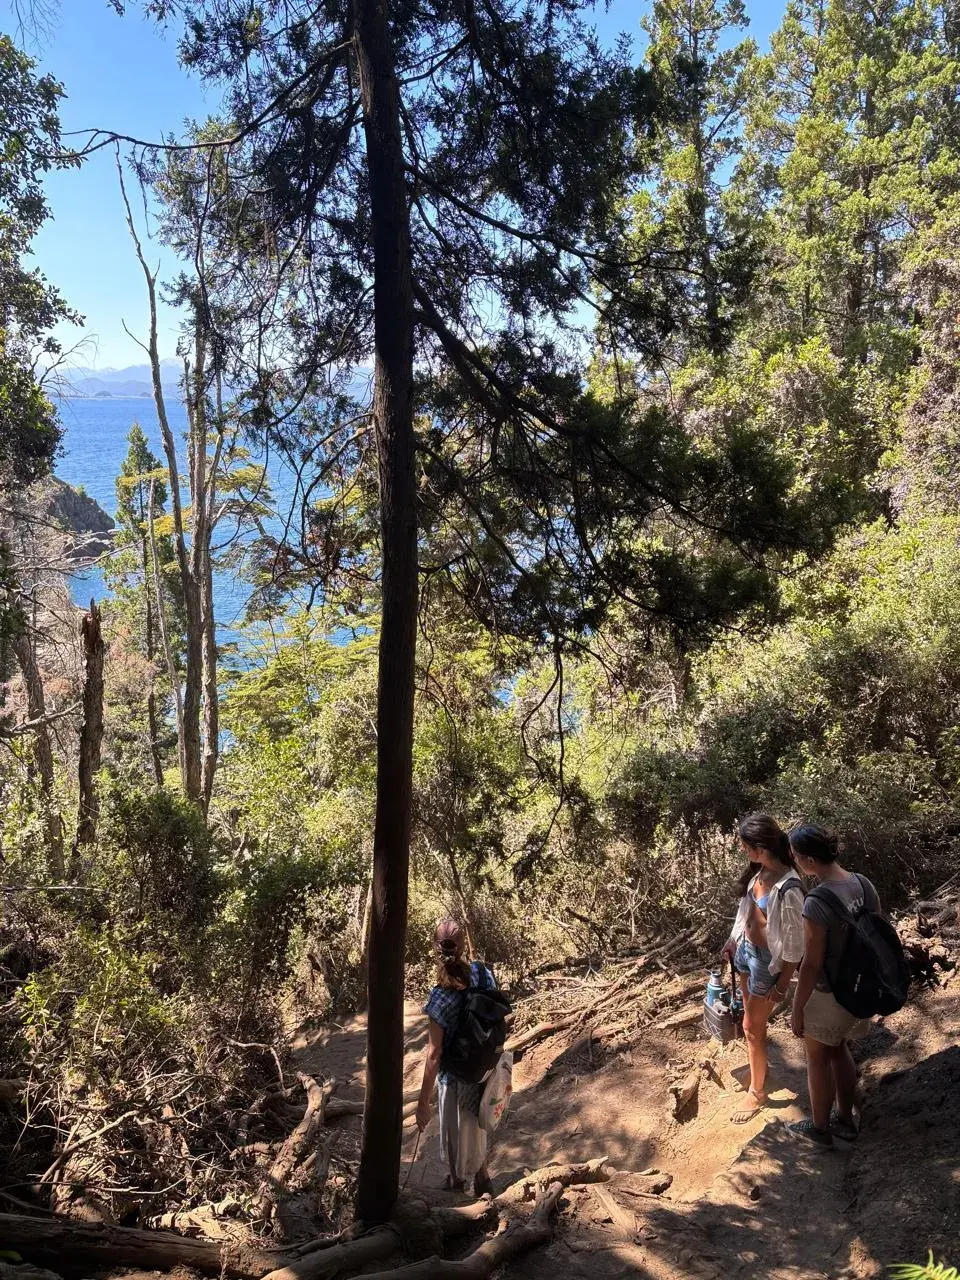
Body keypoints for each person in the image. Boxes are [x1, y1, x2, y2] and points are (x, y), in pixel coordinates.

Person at [786, 823, 880, 1148]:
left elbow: (811, 964)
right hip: (859, 990)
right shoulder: (863, 884)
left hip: (829, 994)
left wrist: (797, 1008)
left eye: (796, 857)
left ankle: (821, 1129)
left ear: (810, 859)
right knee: (838, 1049)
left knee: (816, 1058)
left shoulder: (817, 901)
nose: (796, 863)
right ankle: (846, 1119)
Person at [722, 813, 804, 1123]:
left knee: (750, 1028)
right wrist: (732, 941)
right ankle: (760, 1068)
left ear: (760, 847)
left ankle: (757, 1092)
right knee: (750, 1022)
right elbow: (745, 914)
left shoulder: (790, 887)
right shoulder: (760, 873)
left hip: (766, 964)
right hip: (745, 953)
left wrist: (782, 984)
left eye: (745, 846)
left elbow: (796, 946)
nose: (743, 851)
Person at [416, 918, 495, 1196]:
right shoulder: (483, 974)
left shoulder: (439, 996)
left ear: (436, 949)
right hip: (483, 1066)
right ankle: (483, 1175)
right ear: (462, 946)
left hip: (454, 1074)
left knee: (453, 1128)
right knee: (476, 1121)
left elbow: (435, 1053)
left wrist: (423, 1101)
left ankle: (457, 1180)